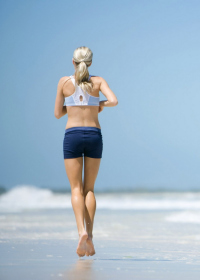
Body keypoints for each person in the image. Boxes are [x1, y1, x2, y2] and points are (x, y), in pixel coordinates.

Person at [54, 46, 118, 257]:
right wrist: (97, 104)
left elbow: (57, 114)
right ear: (90, 63)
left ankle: (80, 231)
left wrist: (71, 106)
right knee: (89, 189)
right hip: (93, 135)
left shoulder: (63, 82)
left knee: (75, 189)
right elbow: (114, 101)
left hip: (72, 135)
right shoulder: (98, 82)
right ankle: (89, 236)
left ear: (73, 62)